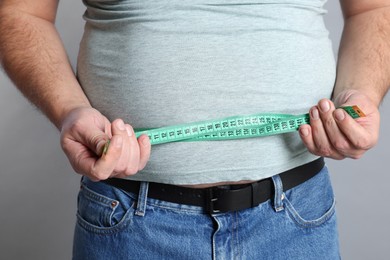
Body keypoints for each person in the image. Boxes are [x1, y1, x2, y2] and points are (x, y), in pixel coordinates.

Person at [0, 0, 388, 259]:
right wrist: (69, 110)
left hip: (296, 217)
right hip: (130, 219)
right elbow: (21, 11)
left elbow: (372, 8)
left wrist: (362, 92)